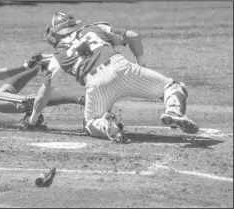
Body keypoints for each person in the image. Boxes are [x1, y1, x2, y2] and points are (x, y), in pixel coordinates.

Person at [23, 12, 199, 143]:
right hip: (121, 67)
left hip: (96, 83)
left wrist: (32, 120)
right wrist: (141, 65)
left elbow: (43, 94)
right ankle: (174, 112)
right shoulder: (95, 28)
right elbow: (133, 36)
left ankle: (108, 125)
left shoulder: (57, 57)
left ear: (57, 34)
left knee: (90, 122)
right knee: (173, 87)